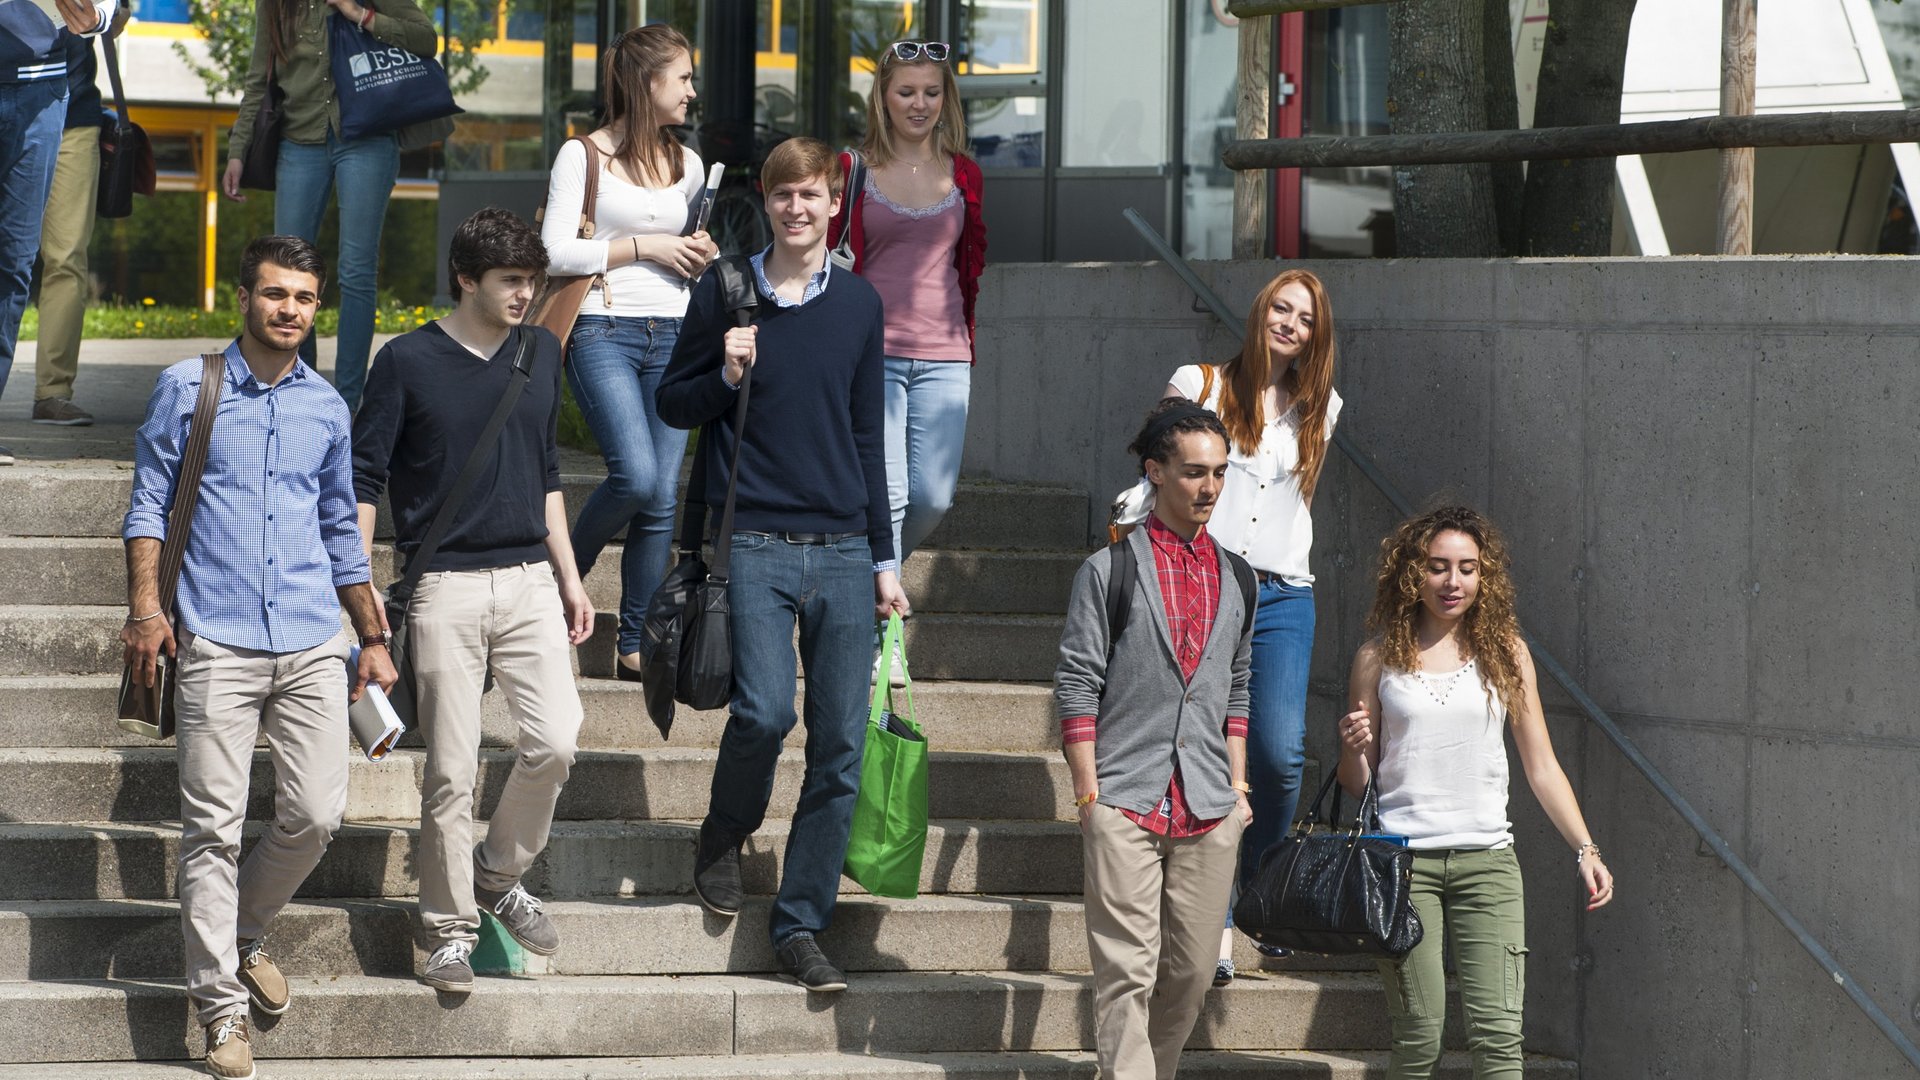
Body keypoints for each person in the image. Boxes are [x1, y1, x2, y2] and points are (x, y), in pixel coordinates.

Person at [120, 234, 395, 1080]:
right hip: (216, 638)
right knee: (211, 829)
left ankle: (240, 933)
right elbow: (149, 506)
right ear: (244, 296)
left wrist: (374, 637)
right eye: (276, 294)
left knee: (315, 815)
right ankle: (220, 1012)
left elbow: (340, 536)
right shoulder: (188, 387)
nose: (290, 310)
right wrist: (145, 610)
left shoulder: (325, 407)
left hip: (314, 637)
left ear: (318, 308)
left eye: (305, 299)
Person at [656, 136, 908, 993]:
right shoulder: (726, 292)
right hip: (752, 543)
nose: (798, 208)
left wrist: (884, 557)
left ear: (835, 204)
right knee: (764, 713)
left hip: (842, 548)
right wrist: (724, 376)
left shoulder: (861, 306)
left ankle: (800, 925)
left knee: (839, 744)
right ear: (764, 203)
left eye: (813, 195)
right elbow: (672, 401)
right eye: (783, 195)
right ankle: (724, 831)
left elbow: (869, 438)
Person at [352, 207, 593, 994]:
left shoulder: (540, 352)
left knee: (556, 740)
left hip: (528, 578)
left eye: (533, 279)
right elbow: (363, 484)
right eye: (511, 281)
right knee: (451, 770)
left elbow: (546, 470)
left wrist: (568, 576)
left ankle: (496, 873)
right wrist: (361, 605)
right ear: (466, 279)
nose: (526, 294)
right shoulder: (407, 362)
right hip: (444, 586)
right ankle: (447, 934)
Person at [1337, 505, 1616, 1080]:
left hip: (1488, 865)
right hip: (1402, 866)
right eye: (1438, 567)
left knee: (1498, 1040)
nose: (1453, 582)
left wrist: (1586, 848)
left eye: (1467, 568)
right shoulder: (1376, 658)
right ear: (1412, 573)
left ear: (1484, 575)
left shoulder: (1507, 654)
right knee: (1418, 1037)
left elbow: (1541, 766)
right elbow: (1357, 784)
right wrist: (1349, 745)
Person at [1141, 268, 1340, 984]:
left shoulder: (1320, 408)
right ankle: (1216, 915)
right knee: (1206, 753)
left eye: (1305, 318)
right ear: (1259, 313)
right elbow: (1153, 470)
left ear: (1316, 336)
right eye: (1281, 308)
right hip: (1206, 582)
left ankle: (1260, 885)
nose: (1290, 323)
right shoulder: (1196, 383)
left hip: (1285, 591)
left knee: (1281, 753)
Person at [1053, 399, 1254, 1080]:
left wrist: (1238, 784)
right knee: (1126, 973)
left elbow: (1238, 688)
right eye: (1195, 472)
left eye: (1220, 473)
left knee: (1194, 971)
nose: (1210, 488)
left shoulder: (1240, 577)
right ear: (1156, 472)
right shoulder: (1108, 571)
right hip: (1124, 795)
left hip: (1208, 800)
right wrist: (1089, 794)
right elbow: (1076, 687)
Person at [541, 23, 717, 680]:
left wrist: (701, 257)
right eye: (683, 78)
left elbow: (688, 251)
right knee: (637, 477)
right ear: (648, 84)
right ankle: (558, 586)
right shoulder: (581, 156)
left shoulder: (689, 164)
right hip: (602, 327)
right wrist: (642, 247)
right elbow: (553, 252)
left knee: (662, 500)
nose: (692, 92)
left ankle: (636, 642)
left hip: (674, 334)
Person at [829, 38, 987, 674]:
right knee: (889, 493)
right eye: (905, 91)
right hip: (874, 353)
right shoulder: (853, 166)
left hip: (946, 352)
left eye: (931, 92)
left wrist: (968, 337)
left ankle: (867, 571)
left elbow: (970, 261)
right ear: (883, 98)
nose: (919, 104)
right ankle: (880, 637)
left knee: (934, 496)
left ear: (944, 98)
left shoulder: (966, 172)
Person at [223, 0, 439, 412]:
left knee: (356, 269)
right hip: (299, 142)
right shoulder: (274, 4)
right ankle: (295, 391)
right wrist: (238, 151)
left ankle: (346, 401)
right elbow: (258, 81)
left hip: (368, 138)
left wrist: (358, 13)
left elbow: (426, 40)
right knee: (289, 270)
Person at [0, 0, 115, 465]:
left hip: (46, 91)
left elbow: (111, 8)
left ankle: (52, 390)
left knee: (15, 262)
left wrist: (101, 15)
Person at [33, 9, 128, 428]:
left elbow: (119, 14)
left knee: (67, 257)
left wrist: (99, 15)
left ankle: (53, 393)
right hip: (8, 105)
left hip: (75, 116)